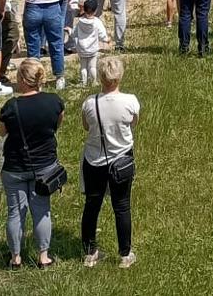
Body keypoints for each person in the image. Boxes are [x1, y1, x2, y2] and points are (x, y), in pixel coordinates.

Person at [0, 59, 61, 270]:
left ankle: (16, 258)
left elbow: (3, 132)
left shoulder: (10, 106)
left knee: (16, 213)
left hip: (15, 168)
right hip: (44, 167)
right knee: (42, 210)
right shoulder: (54, 102)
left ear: (23, 80)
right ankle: (43, 257)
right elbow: (56, 125)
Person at [79, 55, 140, 269]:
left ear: (101, 78)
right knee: (122, 206)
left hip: (95, 159)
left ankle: (89, 252)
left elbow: (86, 127)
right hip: (122, 158)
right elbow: (134, 123)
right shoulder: (131, 101)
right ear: (119, 77)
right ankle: (125, 254)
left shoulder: (89, 103)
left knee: (92, 205)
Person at [72, 0, 109, 88]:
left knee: (83, 67)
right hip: (93, 49)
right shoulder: (96, 22)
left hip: (81, 49)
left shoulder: (79, 22)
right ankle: (93, 82)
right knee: (92, 66)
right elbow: (102, 34)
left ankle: (83, 83)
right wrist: (106, 39)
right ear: (96, 11)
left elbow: (74, 33)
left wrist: (69, 32)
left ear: (83, 9)